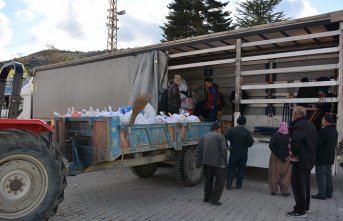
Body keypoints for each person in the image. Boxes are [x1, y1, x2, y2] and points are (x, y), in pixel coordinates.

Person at [287, 106, 317, 218]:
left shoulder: (299, 125)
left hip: (300, 161)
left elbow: (295, 142)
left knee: (298, 186)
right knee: (306, 184)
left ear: (295, 114)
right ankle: (306, 207)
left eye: (293, 113)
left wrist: (294, 154)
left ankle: (300, 211)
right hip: (308, 160)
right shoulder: (310, 125)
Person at [196, 122, 227, 206]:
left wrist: (198, 162)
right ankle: (214, 200)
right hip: (218, 163)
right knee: (220, 182)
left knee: (208, 181)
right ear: (218, 129)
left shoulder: (203, 137)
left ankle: (206, 198)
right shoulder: (220, 137)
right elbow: (224, 150)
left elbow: (199, 151)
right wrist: (225, 161)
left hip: (206, 163)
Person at [312, 115, 338, 200]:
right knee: (328, 175)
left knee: (321, 176)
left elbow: (317, 144)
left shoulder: (323, 131)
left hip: (321, 158)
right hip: (330, 157)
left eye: (323, 120)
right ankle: (329, 193)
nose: (321, 121)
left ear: (326, 121)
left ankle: (322, 194)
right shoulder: (335, 131)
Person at [224, 116, 254, 190]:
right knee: (241, 169)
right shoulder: (246, 132)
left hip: (233, 153)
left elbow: (223, 137)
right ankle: (238, 185)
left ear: (237, 122)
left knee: (231, 168)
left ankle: (229, 183)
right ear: (245, 123)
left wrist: (227, 146)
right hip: (243, 154)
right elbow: (250, 144)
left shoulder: (231, 130)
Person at [268, 122, 291, 197]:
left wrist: (277, 154)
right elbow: (292, 146)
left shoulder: (275, 135)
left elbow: (271, 145)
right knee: (286, 174)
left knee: (274, 174)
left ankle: (273, 191)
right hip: (287, 158)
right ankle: (285, 191)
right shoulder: (290, 136)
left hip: (276, 157)